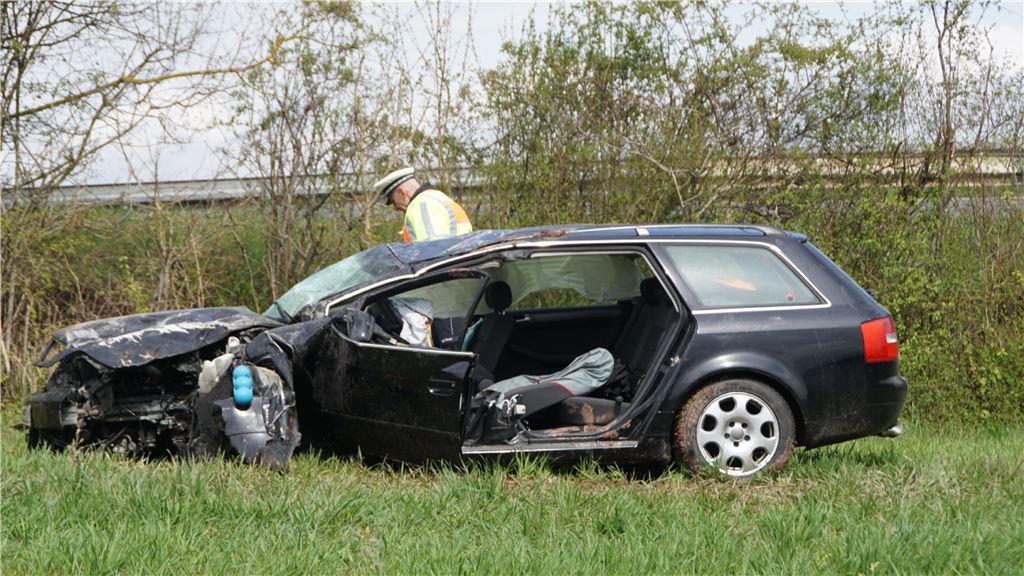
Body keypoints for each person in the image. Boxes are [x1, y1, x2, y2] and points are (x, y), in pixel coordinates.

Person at [374, 167, 473, 243]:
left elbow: (433, 249)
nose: (395, 208)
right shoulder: (438, 196)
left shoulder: (420, 205)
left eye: (393, 201)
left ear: (402, 192)